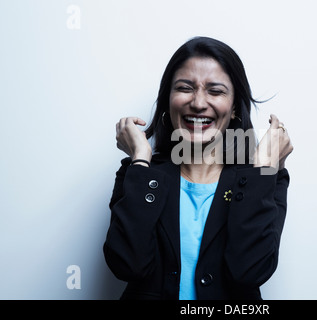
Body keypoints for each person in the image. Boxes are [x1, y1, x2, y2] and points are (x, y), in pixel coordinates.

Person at [103, 36, 293, 300]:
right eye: (185, 88)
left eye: (215, 91)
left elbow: (249, 272)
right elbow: (127, 265)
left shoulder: (262, 178)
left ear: (235, 106)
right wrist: (140, 160)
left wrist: (263, 170)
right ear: (168, 100)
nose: (199, 103)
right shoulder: (140, 173)